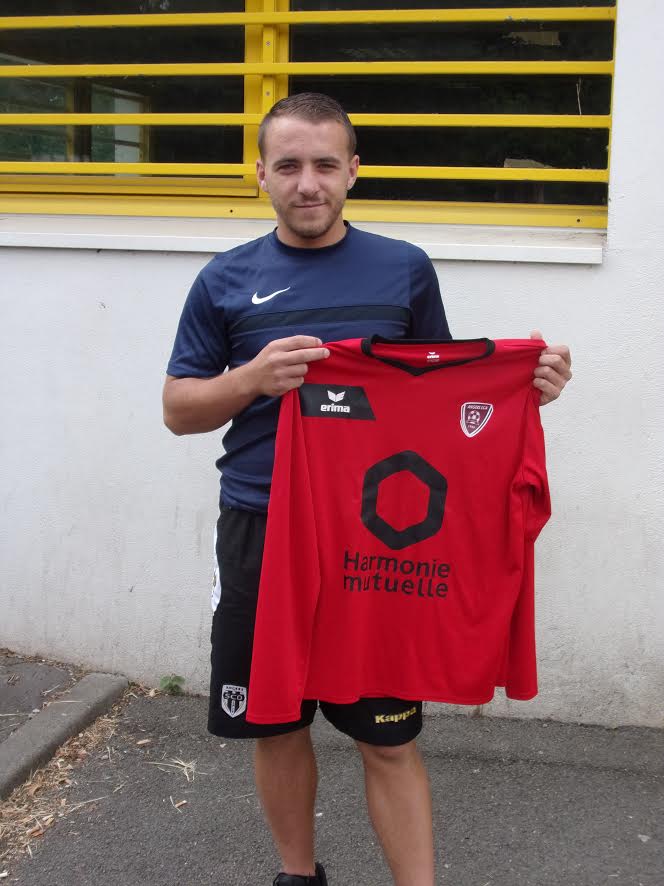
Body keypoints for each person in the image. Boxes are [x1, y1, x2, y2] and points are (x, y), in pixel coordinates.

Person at [163, 93, 572, 886]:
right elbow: (179, 410)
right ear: (260, 174)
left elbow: (442, 400)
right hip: (260, 526)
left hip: (372, 537)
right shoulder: (224, 280)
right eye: (288, 165)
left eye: (324, 164)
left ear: (353, 170)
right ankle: (298, 875)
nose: (307, 183)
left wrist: (528, 393)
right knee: (275, 724)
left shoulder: (403, 269)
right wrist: (251, 379)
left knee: (387, 735)